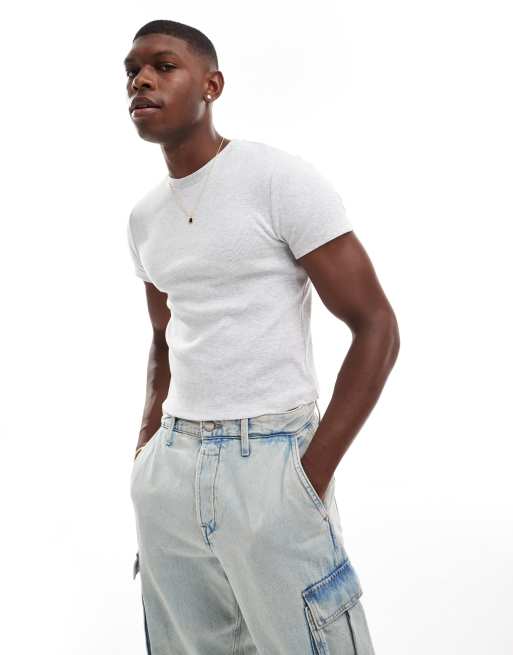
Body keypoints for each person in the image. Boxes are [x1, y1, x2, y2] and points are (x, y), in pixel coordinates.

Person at [125, 18, 399, 655]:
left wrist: (308, 477)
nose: (140, 81)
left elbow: (376, 327)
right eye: (132, 71)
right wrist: (146, 451)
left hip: (270, 457)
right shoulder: (144, 219)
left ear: (212, 85)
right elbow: (164, 335)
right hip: (172, 469)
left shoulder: (276, 180)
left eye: (163, 66)